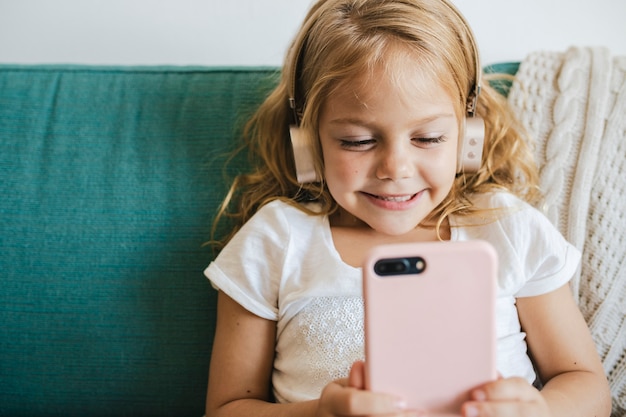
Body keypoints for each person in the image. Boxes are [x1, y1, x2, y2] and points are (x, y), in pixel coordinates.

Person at [203, 0, 612, 416]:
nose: (395, 169)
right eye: (358, 141)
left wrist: (540, 411)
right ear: (307, 141)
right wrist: (320, 413)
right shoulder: (276, 240)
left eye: (429, 138)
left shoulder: (506, 227)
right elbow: (227, 408)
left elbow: (586, 385)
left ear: (468, 136)